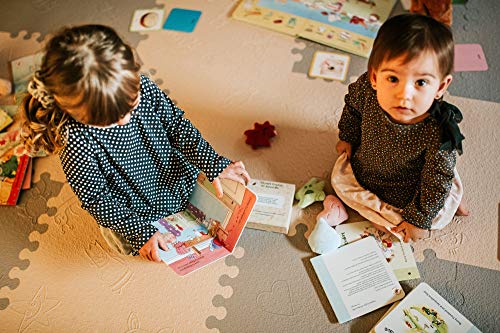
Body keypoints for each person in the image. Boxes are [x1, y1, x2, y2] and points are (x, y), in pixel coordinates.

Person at [20, 24, 250, 262]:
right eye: (109, 121)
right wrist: (140, 232)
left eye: (131, 106)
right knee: (127, 241)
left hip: (169, 172)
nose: (126, 119)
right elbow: (96, 198)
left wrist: (212, 162)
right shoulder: (75, 140)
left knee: (203, 198)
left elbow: (177, 126)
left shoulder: (143, 87)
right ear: (76, 113)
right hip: (131, 205)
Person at [332, 14, 468, 243]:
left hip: (411, 189)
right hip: (367, 170)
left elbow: (436, 180)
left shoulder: (439, 133)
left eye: (421, 82)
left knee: (437, 197)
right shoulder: (367, 90)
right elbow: (353, 109)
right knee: (341, 184)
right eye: (393, 79)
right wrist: (348, 136)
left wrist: (419, 219)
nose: (404, 94)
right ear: (375, 77)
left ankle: (450, 202)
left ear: (441, 86)